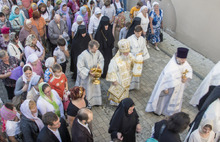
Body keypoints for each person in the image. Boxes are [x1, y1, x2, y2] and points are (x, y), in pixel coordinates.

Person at [145, 47, 192, 116]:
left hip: (178, 88)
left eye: (185, 59)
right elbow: (165, 78)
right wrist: (165, 88)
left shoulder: (185, 64)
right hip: (168, 87)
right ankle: (158, 111)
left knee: (172, 100)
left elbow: (189, 71)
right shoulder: (171, 66)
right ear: (177, 57)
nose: (183, 61)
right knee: (163, 100)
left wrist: (186, 78)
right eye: (182, 59)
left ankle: (167, 112)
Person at [75, 40, 104, 107]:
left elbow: (101, 60)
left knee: (95, 88)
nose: (95, 51)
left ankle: (96, 102)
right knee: (88, 91)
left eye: (96, 49)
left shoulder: (97, 52)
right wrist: (88, 72)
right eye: (94, 50)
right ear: (89, 47)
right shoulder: (82, 55)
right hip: (87, 78)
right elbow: (80, 67)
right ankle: (88, 104)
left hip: (95, 76)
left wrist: (99, 66)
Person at [106, 39, 135, 105]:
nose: (127, 54)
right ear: (121, 52)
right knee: (118, 93)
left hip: (127, 78)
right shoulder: (115, 60)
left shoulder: (129, 55)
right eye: (125, 53)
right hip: (119, 80)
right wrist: (114, 80)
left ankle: (124, 102)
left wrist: (138, 62)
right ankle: (117, 104)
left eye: (128, 52)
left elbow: (134, 62)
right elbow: (111, 70)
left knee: (125, 91)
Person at [127, 25, 150, 90]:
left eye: (140, 33)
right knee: (131, 72)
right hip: (132, 58)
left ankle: (135, 85)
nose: (139, 34)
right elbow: (127, 50)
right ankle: (130, 86)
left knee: (138, 72)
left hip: (139, 59)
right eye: (137, 33)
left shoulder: (142, 39)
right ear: (134, 32)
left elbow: (144, 48)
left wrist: (143, 58)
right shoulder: (129, 39)